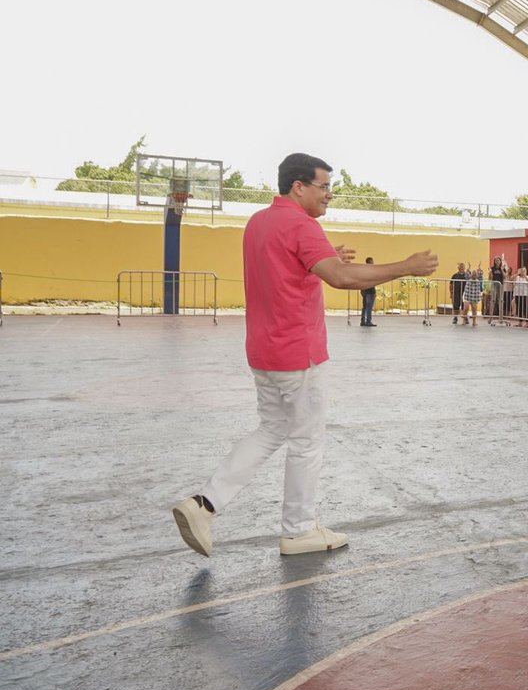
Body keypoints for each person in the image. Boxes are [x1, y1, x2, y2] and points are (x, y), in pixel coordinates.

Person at [171, 153, 439, 557]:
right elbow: (342, 277)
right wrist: (407, 266)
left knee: (271, 430)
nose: (329, 194)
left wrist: (327, 254)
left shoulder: (259, 222)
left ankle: (203, 505)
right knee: (307, 441)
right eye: (324, 186)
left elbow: (290, 266)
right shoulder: (303, 225)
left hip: (264, 350)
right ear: (299, 186)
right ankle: (298, 531)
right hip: (299, 354)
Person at [359, 257, 377, 326]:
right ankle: (368, 321)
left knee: (365, 307)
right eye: (372, 261)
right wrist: (374, 292)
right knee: (369, 307)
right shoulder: (371, 271)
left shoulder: (363, 270)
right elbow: (371, 282)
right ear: (370, 262)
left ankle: (363, 321)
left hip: (364, 291)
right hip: (369, 291)